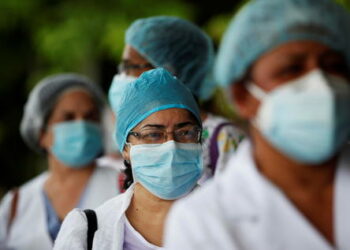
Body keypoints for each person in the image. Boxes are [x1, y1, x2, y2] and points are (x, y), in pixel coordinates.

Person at [164, 0, 350, 249]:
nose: (321, 84)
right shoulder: (203, 221)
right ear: (242, 95)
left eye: (333, 67)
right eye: (291, 69)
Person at [54, 68, 203, 250]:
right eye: (154, 134)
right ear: (126, 148)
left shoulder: (232, 220)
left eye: (185, 132)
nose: (171, 145)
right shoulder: (88, 232)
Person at [108, 16, 243, 187]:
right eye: (155, 135)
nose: (123, 76)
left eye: (130, 67)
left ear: (169, 69)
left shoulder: (224, 138)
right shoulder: (135, 136)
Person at [0, 74, 120, 250]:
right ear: (41, 133)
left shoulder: (124, 187)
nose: (82, 125)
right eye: (68, 118)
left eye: (90, 116)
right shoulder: (16, 205)